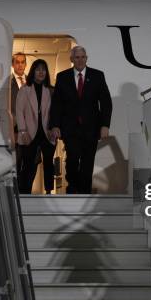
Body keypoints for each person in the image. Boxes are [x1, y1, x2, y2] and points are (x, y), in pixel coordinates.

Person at [49, 46, 112, 194]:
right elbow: (57, 103)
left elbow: (106, 102)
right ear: (71, 59)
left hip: (91, 128)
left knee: (87, 163)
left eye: (83, 57)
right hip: (70, 129)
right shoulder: (62, 77)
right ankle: (73, 187)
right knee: (72, 160)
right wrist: (55, 125)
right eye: (77, 57)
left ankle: (84, 194)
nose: (80, 60)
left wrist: (105, 125)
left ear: (86, 58)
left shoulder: (97, 75)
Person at [15, 59, 56, 194]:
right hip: (29, 133)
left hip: (47, 133)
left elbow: (55, 112)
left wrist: (54, 128)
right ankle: (25, 193)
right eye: (38, 69)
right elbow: (19, 111)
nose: (41, 72)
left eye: (43, 69)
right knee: (28, 165)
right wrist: (22, 131)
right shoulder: (25, 89)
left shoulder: (50, 90)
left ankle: (49, 191)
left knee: (49, 164)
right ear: (33, 71)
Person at [10, 52, 27, 175]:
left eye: (23, 62)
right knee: (15, 164)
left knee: (30, 166)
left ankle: (27, 193)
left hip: (32, 131)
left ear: (26, 64)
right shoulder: (7, 83)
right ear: (13, 64)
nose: (20, 65)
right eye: (17, 62)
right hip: (14, 130)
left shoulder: (33, 82)